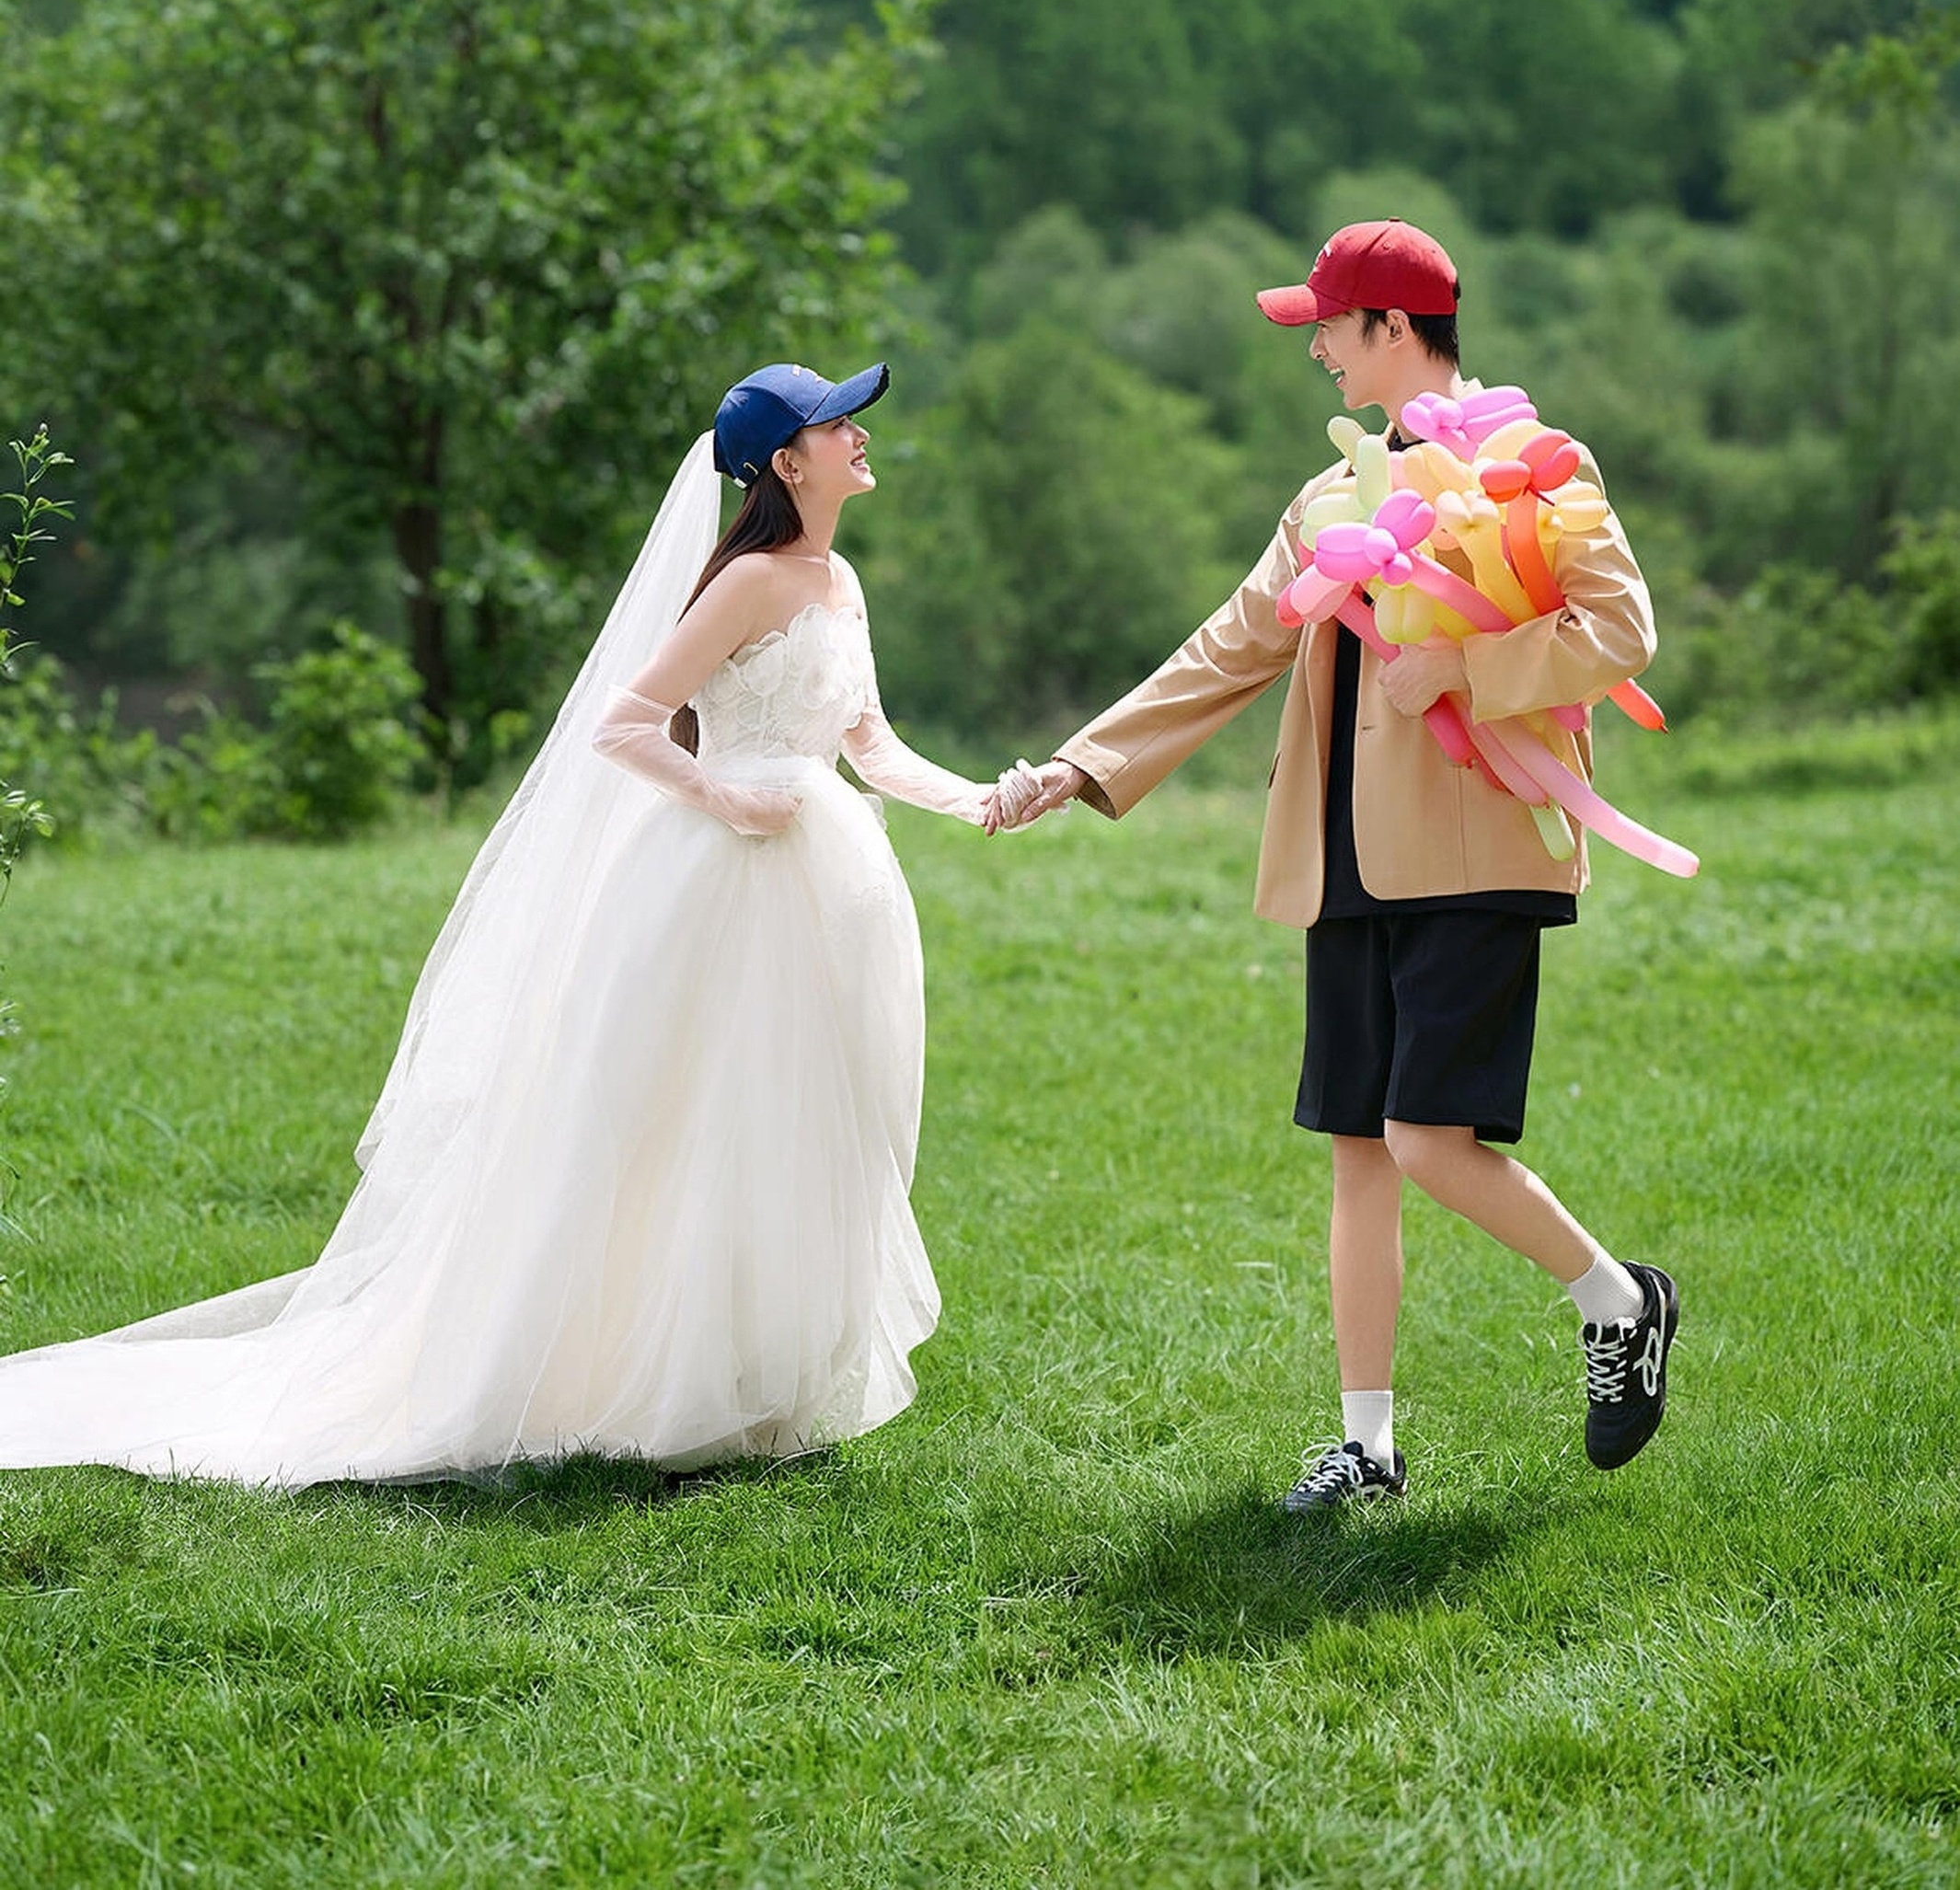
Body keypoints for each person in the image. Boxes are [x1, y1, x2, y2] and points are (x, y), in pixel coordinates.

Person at [0, 362, 1031, 1485]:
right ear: (788, 462)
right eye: (839, 424)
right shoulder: (745, 582)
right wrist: (725, 796)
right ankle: (668, 1384)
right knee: (703, 1117)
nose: (861, 435)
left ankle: (766, 1382)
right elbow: (625, 723)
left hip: (828, 880)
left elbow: (869, 743)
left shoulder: (841, 580)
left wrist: (979, 798)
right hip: (722, 884)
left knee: (802, 1117)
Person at [997, 223, 1678, 1510]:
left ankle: (1618, 1299)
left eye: (1327, 324)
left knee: (1426, 1140)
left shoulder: (1537, 464)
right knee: (1360, 1148)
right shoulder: (1323, 497)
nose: (1315, 348)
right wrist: (1079, 765)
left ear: (1392, 328)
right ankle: (1367, 1448)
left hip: (1474, 847)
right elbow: (1231, 644)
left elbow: (1621, 627)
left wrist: (1465, 665)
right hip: (1344, 856)